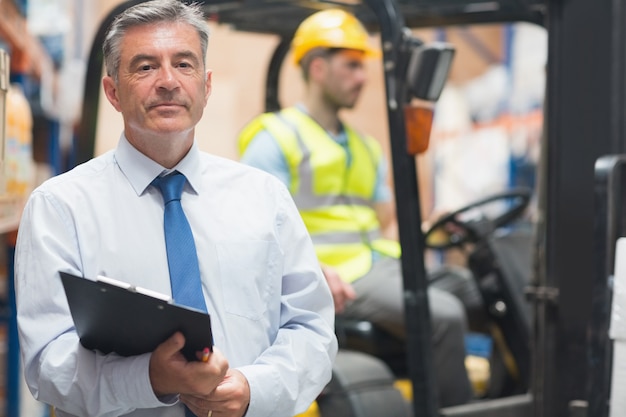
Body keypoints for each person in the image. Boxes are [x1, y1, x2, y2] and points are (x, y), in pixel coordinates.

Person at [14, 1, 337, 416]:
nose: (167, 81)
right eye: (145, 67)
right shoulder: (60, 209)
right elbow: (46, 362)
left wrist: (254, 390)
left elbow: (311, 329)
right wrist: (149, 378)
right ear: (113, 92)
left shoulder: (264, 199)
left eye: (183, 65)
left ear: (206, 85)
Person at [238, 8, 472, 407]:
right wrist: (310, 272)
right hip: (334, 274)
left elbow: (384, 223)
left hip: (378, 262)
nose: (363, 78)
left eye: (363, 67)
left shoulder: (366, 147)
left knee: (482, 290)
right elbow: (254, 232)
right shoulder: (275, 139)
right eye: (351, 66)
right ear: (316, 68)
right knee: (444, 315)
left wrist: (434, 227)